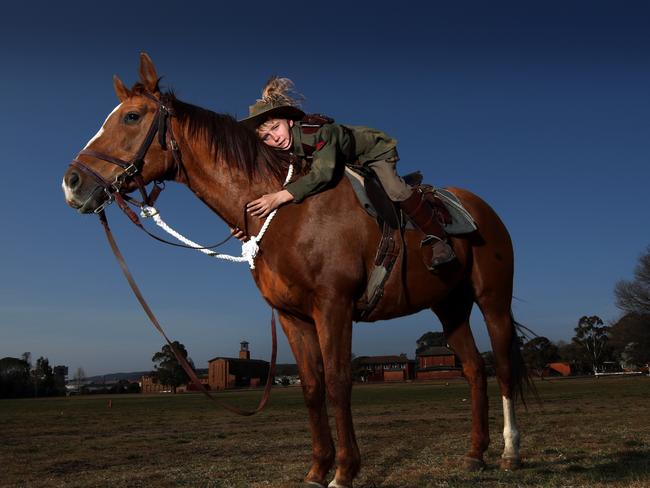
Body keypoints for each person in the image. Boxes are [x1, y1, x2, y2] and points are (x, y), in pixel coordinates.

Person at [239, 77, 455, 270]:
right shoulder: (285, 150)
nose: (274, 138)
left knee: (395, 190)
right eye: (266, 137)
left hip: (373, 153)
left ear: (289, 121)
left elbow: (323, 173)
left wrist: (280, 196)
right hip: (345, 161)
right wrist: (246, 225)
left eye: (275, 128)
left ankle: (438, 238)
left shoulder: (318, 132)